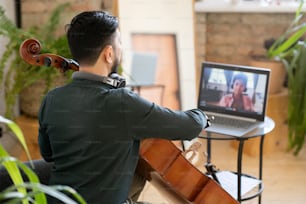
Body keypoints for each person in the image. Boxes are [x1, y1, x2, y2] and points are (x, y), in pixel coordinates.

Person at [38, 11, 209, 204]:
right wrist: (202, 114)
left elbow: (48, 154)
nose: (121, 47)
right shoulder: (120, 102)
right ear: (108, 53)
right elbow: (189, 126)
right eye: (119, 42)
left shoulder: (51, 99)